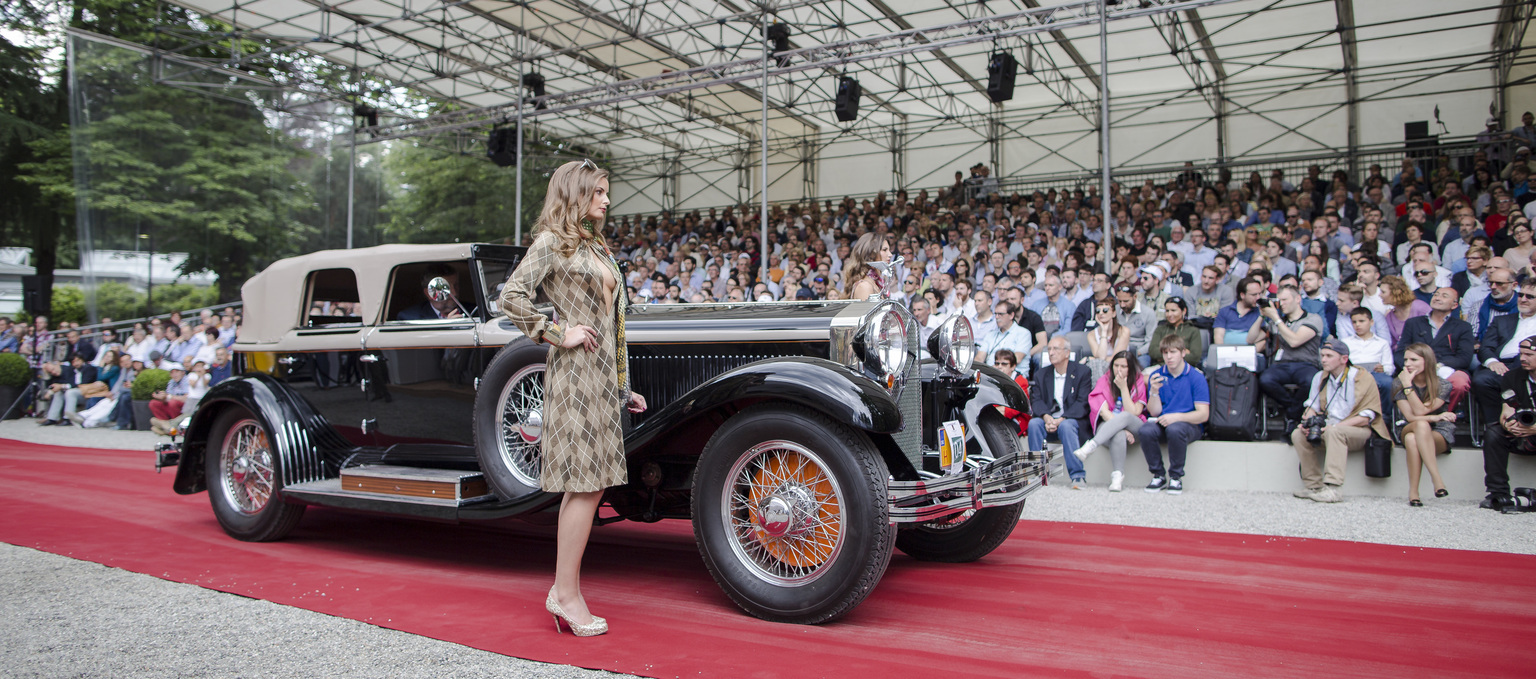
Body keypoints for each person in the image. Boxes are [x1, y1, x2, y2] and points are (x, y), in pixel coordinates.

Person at [497, 159, 646, 637]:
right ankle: (566, 594)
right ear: (576, 194)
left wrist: (624, 386)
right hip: (575, 377)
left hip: (601, 380)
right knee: (585, 486)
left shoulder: (595, 245)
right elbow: (512, 296)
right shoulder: (552, 242)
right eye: (599, 192)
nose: (606, 200)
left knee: (589, 486)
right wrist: (556, 331)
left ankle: (563, 591)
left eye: (606, 192)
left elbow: (615, 327)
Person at [1289, 339, 1391, 503]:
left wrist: (1334, 427)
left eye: (1329, 356)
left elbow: (1365, 418)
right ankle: (1313, 485)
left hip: (1358, 431)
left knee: (1334, 431)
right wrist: (1307, 421)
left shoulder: (1362, 377)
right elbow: (1312, 406)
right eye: (1322, 355)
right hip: (1329, 428)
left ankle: (1333, 488)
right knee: (1297, 434)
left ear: (1344, 359)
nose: (1323, 359)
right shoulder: (1320, 377)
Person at [1138, 334, 1209, 494]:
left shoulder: (1196, 377)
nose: (1169, 357)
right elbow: (1154, 411)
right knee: (1145, 430)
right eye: (1165, 353)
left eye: (1173, 352)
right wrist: (1154, 392)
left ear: (1183, 352)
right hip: (1164, 422)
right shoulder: (1158, 374)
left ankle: (1176, 477)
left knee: (1175, 429)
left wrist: (1176, 417)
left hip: (1189, 425)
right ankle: (1158, 475)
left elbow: (1203, 414)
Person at [1074, 350, 1149, 492]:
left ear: (1131, 368)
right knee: (1119, 434)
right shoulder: (1105, 380)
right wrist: (1120, 428)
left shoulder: (1138, 380)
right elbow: (1103, 411)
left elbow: (1134, 412)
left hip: (1135, 426)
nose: (1118, 370)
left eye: (1123, 367)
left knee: (1126, 417)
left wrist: (1123, 388)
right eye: (1116, 365)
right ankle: (1117, 477)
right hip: (1111, 427)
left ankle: (1092, 444)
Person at [1027, 337, 1094, 489]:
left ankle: (1078, 476)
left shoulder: (1082, 372)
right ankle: (1038, 474)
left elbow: (1082, 403)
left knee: (1066, 426)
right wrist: (1046, 417)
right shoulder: (1041, 374)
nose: (1051, 353)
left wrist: (1061, 419)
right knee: (1034, 424)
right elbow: (1036, 401)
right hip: (1049, 420)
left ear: (1067, 353)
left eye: (1055, 349)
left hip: (1071, 420)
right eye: (1049, 349)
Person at [1393, 344, 1454, 507]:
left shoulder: (1443, 385)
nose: (1407, 364)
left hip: (1438, 432)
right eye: (1405, 360)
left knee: (1414, 438)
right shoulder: (1398, 383)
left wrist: (1408, 387)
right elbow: (1412, 416)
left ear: (1427, 361)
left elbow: (1420, 411)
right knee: (1419, 426)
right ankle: (1437, 480)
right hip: (1408, 426)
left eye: (1413, 359)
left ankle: (1413, 492)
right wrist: (1437, 417)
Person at [1394, 287, 1475, 410]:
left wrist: (1436, 365)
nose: (1437, 297)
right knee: (1400, 381)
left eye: (1444, 296)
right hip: (1417, 370)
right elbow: (1400, 352)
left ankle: (1442, 413)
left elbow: (1464, 358)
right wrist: (1411, 367)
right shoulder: (1413, 323)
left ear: (1455, 305)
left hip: (1447, 369)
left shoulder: (1463, 327)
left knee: (1460, 383)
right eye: (1436, 294)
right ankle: (1422, 415)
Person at [1480, 336, 1536, 511]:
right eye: (1521, 354)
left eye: (1529, 354)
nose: (1523, 358)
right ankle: (1498, 493)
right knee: (1494, 433)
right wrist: (1508, 424)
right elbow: (1507, 409)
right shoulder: (1512, 376)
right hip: (1522, 431)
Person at [1473, 278, 1536, 431]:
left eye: (1530, 296)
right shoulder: (1502, 320)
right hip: (1499, 364)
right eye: (1521, 295)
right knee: (1481, 379)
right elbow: (1485, 347)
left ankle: (1527, 422)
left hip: (1528, 365)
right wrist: (1492, 361)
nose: (1523, 299)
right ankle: (1497, 425)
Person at [1259, 286, 1325, 431]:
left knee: (1311, 381)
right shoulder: (1279, 322)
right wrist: (1262, 316)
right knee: (1265, 380)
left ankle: (1292, 415)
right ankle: (1293, 410)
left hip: (1306, 364)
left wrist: (1276, 319)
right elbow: (1251, 338)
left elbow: (1294, 341)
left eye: (1285, 300)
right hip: (1282, 364)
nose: (1281, 304)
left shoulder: (1313, 318)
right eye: (1279, 300)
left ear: (1297, 299)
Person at [397, 263, 469, 320]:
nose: (454, 293)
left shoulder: (475, 313)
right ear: (428, 293)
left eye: (456, 285)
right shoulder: (410, 318)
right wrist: (447, 328)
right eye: (445, 288)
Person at [1148, 297, 1203, 367]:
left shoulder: (1193, 331)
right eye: (1167, 311)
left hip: (1186, 368)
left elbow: (1195, 357)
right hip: (1161, 367)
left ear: (1184, 311)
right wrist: (1181, 352)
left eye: (1173, 310)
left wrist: (1163, 353)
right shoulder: (1160, 329)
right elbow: (1153, 352)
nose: (1169, 314)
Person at [979, 300, 1034, 367]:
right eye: (995, 314)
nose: (996, 317)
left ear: (1011, 315)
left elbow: (1017, 359)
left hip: (1013, 374)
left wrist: (995, 368)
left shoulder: (1023, 333)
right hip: (990, 374)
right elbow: (979, 358)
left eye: (1000, 314)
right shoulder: (990, 334)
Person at [844, 232, 892, 300]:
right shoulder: (865, 286)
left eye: (889, 250)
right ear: (871, 254)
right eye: (884, 250)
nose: (890, 254)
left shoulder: (875, 283)